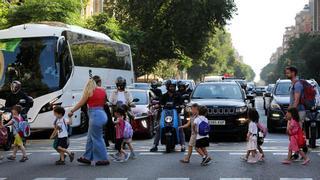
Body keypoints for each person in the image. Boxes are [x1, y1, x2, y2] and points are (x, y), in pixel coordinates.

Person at [68, 76, 109, 166]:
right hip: (102, 114)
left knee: (98, 138)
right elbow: (105, 102)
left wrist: (72, 111)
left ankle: (103, 158)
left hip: (95, 116)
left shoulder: (89, 91)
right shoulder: (103, 90)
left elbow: (81, 103)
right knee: (90, 138)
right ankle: (87, 157)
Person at [150, 80, 186, 152]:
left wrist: (182, 105)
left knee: (180, 127)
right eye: (171, 86)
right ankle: (154, 145)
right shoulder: (164, 96)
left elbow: (182, 103)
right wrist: (156, 106)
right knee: (159, 127)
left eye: (173, 86)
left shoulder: (178, 95)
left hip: (175, 113)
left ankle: (183, 145)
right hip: (165, 113)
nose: (172, 88)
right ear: (167, 87)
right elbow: (160, 103)